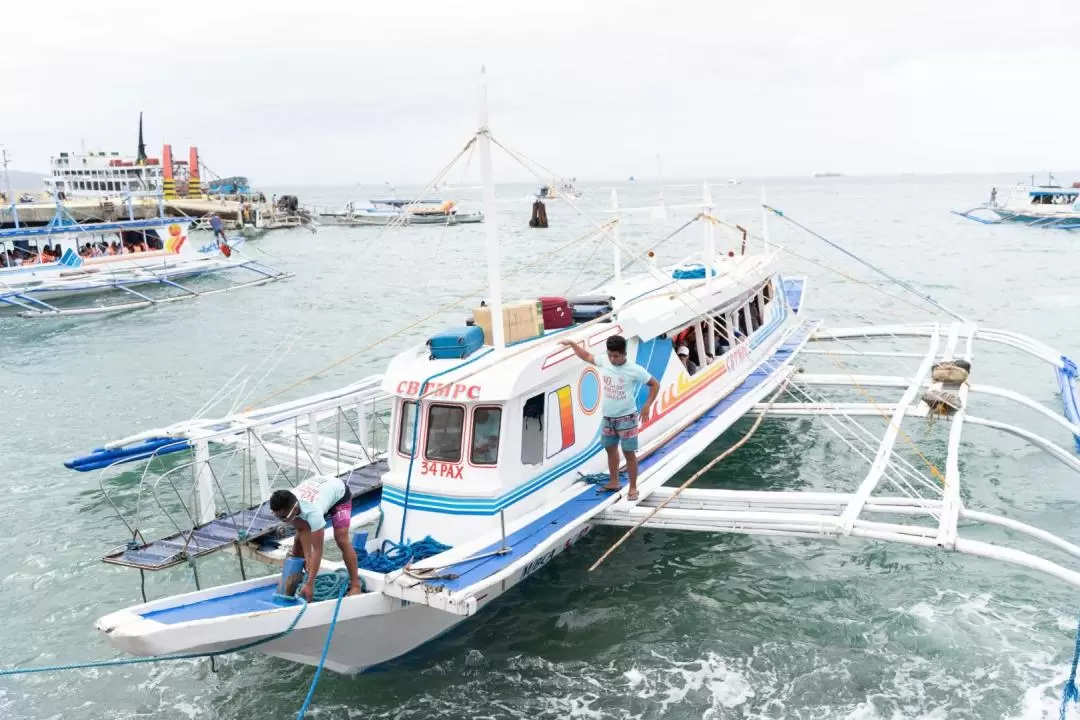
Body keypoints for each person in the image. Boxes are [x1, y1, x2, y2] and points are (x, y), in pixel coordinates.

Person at [560, 335, 660, 501]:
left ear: (624, 354)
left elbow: (655, 385)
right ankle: (614, 481)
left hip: (627, 418)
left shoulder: (635, 370)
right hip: (608, 417)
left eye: (616, 356)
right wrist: (572, 343)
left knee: (629, 453)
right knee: (610, 449)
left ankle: (633, 487)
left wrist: (647, 405)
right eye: (610, 355)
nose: (612, 359)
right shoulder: (604, 361)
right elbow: (586, 356)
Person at [269, 475, 362, 600]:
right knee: (297, 542)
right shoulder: (288, 506)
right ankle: (294, 582)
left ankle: (356, 585)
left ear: (295, 509)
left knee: (341, 539)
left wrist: (310, 584)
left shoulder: (313, 514)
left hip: (339, 494)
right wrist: (307, 557)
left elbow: (318, 550)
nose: (282, 522)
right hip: (318, 491)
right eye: (277, 517)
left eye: (284, 518)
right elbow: (302, 529)